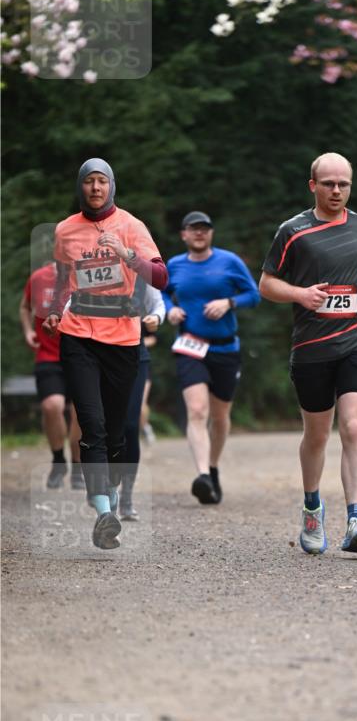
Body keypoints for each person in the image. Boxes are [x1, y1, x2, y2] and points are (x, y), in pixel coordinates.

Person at [259, 151, 357, 554]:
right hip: (312, 348)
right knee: (317, 435)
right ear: (313, 185)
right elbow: (265, 284)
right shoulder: (292, 231)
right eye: (329, 183)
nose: (337, 190)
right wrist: (300, 294)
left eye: (343, 184)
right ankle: (312, 508)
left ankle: (356, 520)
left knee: (352, 426)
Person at [45, 158, 168, 550]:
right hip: (78, 336)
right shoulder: (65, 230)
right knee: (92, 423)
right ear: (80, 187)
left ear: (111, 186)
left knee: (116, 431)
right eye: (89, 182)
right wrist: (53, 311)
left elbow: (162, 277)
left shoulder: (132, 226)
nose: (95, 188)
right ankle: (102, 512)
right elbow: (64, 280)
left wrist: (127, 254)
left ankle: (109, 497)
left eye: (102, 181)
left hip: (122, 340)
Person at [163, 211, 260, 504]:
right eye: (193, 229)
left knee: (219, 417)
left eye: (204, 229)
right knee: (196, 410)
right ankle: (202, 475)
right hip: (190, 346)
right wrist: (170, 309)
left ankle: (213, 467)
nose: (199, 233)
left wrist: (228, 302)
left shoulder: (229, 262)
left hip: (225, 348)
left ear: (211, 234)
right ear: (184, 234)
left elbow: (254, 294)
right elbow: (162, 294)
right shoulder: (174, 265)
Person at [19, 259, 83, 489]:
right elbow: (25, 306)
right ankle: (58, 461)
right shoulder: (39, 277)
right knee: (51, 406)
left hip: (81, 357)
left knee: (80, 413)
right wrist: (28, 331)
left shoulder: (86, 275)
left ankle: (78, 465)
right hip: (48, 356)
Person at [118, 279, 165, 520]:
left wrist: (156, 318)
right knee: (103, 425)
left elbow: (158, 304)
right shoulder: (92, 266)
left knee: (130, 425)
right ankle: (104, 489)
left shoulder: (140, 272)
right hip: (99, 355)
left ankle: (126, 497)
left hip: (136, 355)